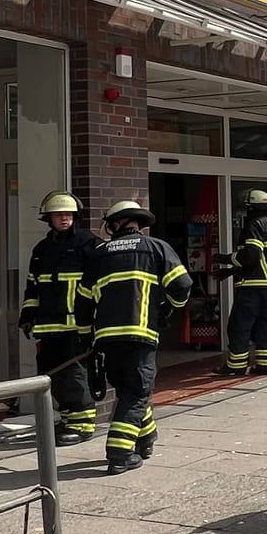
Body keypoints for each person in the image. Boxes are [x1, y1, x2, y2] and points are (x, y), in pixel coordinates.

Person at [85, 200, 192, 475]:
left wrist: (87, 335)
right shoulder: (157, 247)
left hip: (107, 340)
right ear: (137, 223)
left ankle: (146, 438)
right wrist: (167, 308)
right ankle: (120, 454)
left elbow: (83, 301)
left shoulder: (99, 254)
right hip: (140, 334)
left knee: (128, 390)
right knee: (136, 393)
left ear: (116, 223)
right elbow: (182, 286)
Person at [20, 190, 101, 446]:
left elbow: (99, 286)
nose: (64, 218)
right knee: (52, 375)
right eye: (59, 214)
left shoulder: (90, 245)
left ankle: (83, 424)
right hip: (48, 325)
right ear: (49, 218)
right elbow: (33, 286)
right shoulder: (42, 249)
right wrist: (28, 314)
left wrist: (95, 322)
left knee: (74, 375)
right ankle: (68, 419)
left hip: (77, 325)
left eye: (68, 214)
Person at [216, 189, 267, 377]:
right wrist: (232, 272)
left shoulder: (254, 224)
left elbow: (252, 255)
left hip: (253, 285)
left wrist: (226, 258)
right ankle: (266, 364)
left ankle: (236, 365)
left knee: (240, 324)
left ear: (251, 206)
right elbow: (266, 257)